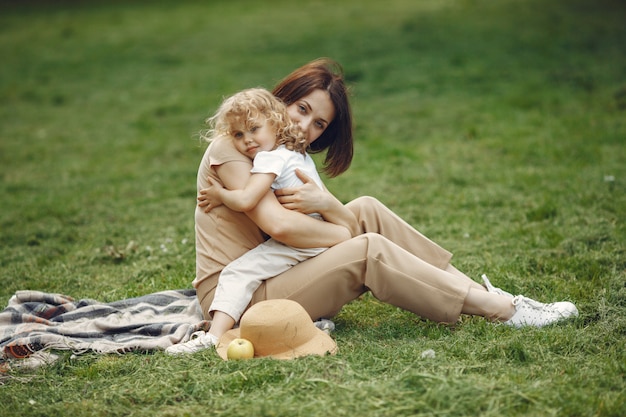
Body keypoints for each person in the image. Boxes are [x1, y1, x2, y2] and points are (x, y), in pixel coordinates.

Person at [167, 58, 578, 354]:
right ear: (282, 98)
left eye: (319, 124)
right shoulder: (235, 143)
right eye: (302, 109)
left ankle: (481, 293)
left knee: (366, 207)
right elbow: (283, 228)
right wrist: (343, 233)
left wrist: (328, 202)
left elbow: (324, 223)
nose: (304, 129)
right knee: (367, 247)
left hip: (275, 270)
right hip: (236, 295)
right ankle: (501, 311)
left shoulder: (279, 151)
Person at [166, 88, 346, 354]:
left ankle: (213, 336)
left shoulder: (269, 157)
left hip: (302, 241)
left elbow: (247, 199)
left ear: (275, 123)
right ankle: (308, 321)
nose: (247, 140)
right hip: (314, 238)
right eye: (238, 134)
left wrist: (220, 194)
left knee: (238, 272)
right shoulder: (297, 153)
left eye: (254, 129)